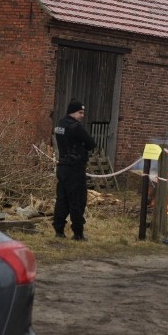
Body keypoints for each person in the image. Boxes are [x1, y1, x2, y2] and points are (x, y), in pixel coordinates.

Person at [53, 100, 96, 241]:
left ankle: (59, 230)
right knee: (77, 200)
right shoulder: (76, 127)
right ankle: (78, 233)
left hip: (62, 167)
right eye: (80, 112)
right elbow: (91, 143)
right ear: (73, 111)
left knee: (62, 200)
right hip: (75, 168)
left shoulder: (60, 124)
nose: (82, 115)